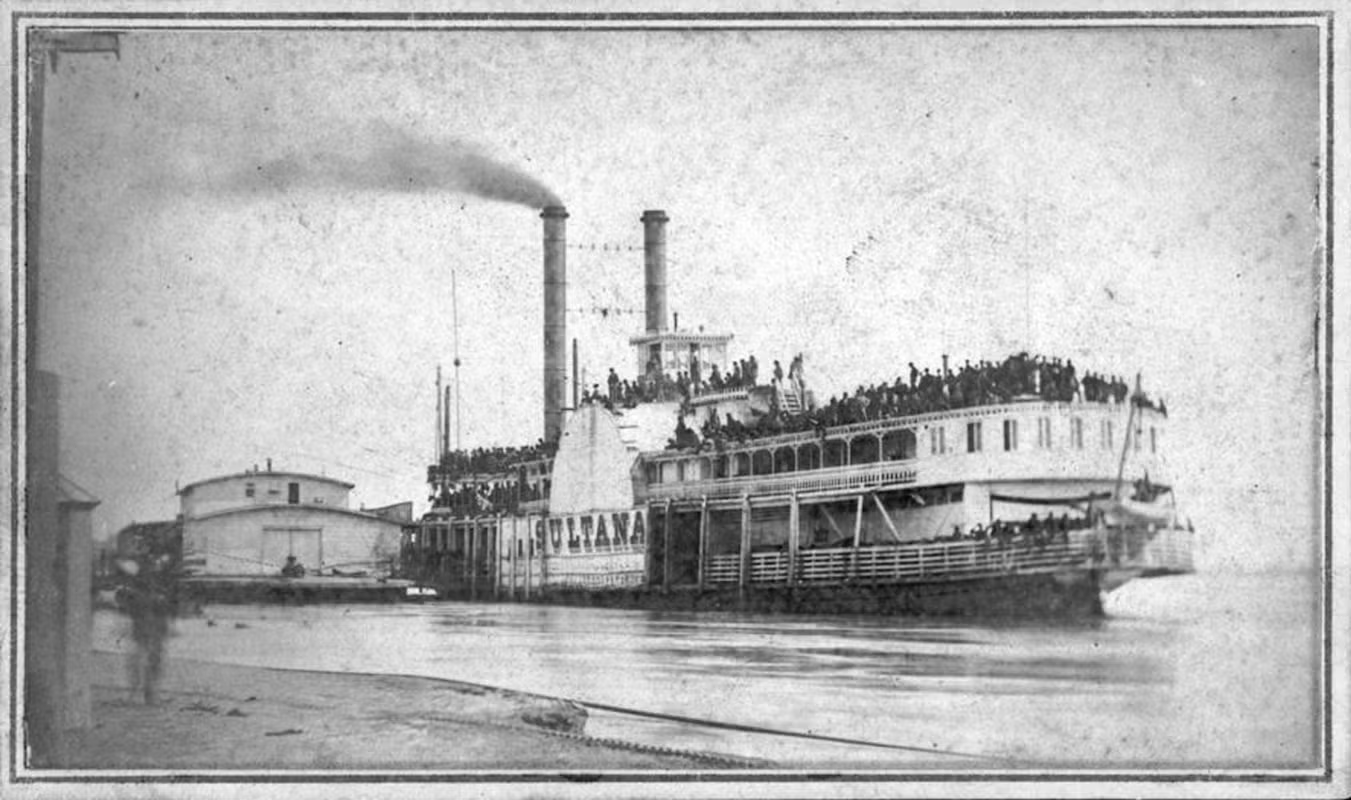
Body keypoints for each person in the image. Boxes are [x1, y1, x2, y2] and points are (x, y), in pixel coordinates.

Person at [119, 548, 178, 705]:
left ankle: (143, 694)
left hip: (150, 624)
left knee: (147, 659)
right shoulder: (149, 580)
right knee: (147, 659)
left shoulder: (150, 579)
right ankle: (146, 694)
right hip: (148, 624)